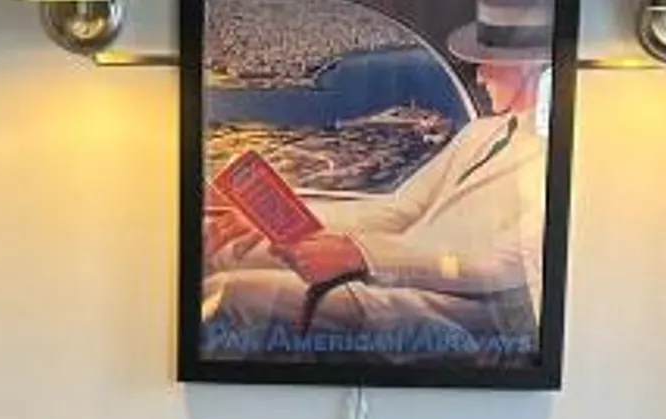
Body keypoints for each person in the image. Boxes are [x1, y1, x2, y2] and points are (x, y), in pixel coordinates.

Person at [203, 0, 554, 357]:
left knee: (232, 291)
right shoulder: (480, 134)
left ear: (529, 68)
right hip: (393, 272)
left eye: (490, 62)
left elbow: (504, 265)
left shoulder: (552, 160)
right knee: (228, 255)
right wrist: (272, 219)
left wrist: (363, 256)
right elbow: (400, 210)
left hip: (447, 303)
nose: (479, 76)